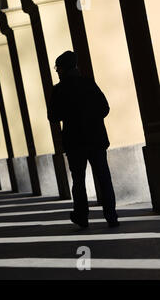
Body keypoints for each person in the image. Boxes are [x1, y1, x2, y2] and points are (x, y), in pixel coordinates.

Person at [48, 51, 119, 228]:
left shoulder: (58, 90)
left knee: (78, 181)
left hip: (74, 142)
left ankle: (81, 216)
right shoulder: (88, 84)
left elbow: (53, 117)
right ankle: (111, 216)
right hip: (95, 139)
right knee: (104, 177)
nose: (57, 71)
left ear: (63, 69)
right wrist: (91, 118)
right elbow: (105, 108)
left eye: (58, 68)